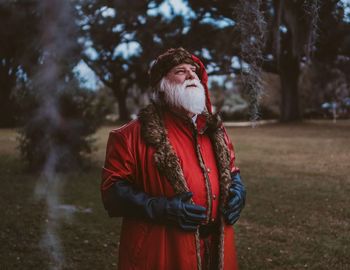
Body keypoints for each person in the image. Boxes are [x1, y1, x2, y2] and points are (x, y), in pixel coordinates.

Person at [101, 47, 246, 270]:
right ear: (163, 85)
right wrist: (160, 208)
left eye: (194, 71)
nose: (191, 76)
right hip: (164, 251)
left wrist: (238, 190)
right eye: (181, 71)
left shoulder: (215, 131)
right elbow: (112, 193)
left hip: (218, 249)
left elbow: (232, 170)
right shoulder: (130, 135)